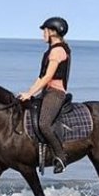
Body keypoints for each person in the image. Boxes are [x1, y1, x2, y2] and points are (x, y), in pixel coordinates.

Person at [18, 16, 71, 173]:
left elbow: (48, 77)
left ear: (53, 32)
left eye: (45, 31)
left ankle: (61, 156)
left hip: (56, 93)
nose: (43, 34)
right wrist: (28, 93)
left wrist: (30, 93)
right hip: (47, 91)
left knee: (44, 123)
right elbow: (41, 77)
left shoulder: (58, 51)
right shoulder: (50, 51)